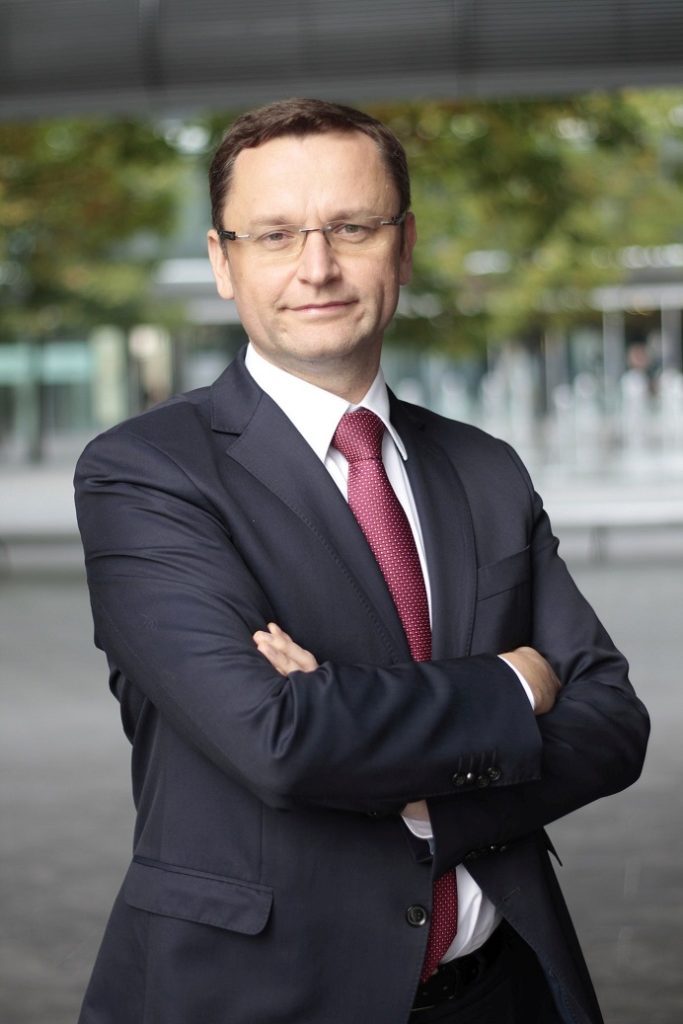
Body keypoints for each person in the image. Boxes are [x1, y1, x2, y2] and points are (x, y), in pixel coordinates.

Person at [74, 98, 649, 1024]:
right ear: (222, 261)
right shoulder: (145, 472)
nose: (317, 267)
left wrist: (417, 794)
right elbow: (278, 740)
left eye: (352, 227)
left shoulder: (483, 467)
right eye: (274, 235)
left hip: (500, 990)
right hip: (260, 998)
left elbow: (613, 722)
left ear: (403, 245)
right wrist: (514, 684)